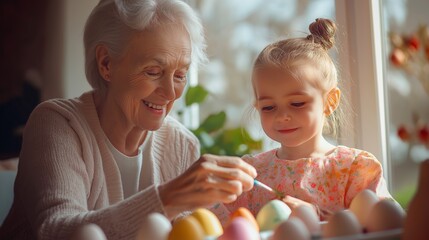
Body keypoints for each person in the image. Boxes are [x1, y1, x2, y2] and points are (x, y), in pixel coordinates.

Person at [0, 0, 257, 239]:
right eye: (153, 71)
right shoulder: (58, 124)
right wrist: (170, 197)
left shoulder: (181, 143)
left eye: (180, 75)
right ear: (106, 64)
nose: (170, 93)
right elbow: (56, 229)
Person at [211, 18, 394, 224]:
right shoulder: (251, 175)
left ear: (330, 101)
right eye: (269, 107)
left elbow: (384, 227)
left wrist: (321, 218)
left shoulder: (355, 170)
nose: (282, 116)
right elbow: (217, 228)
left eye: (297, 103)